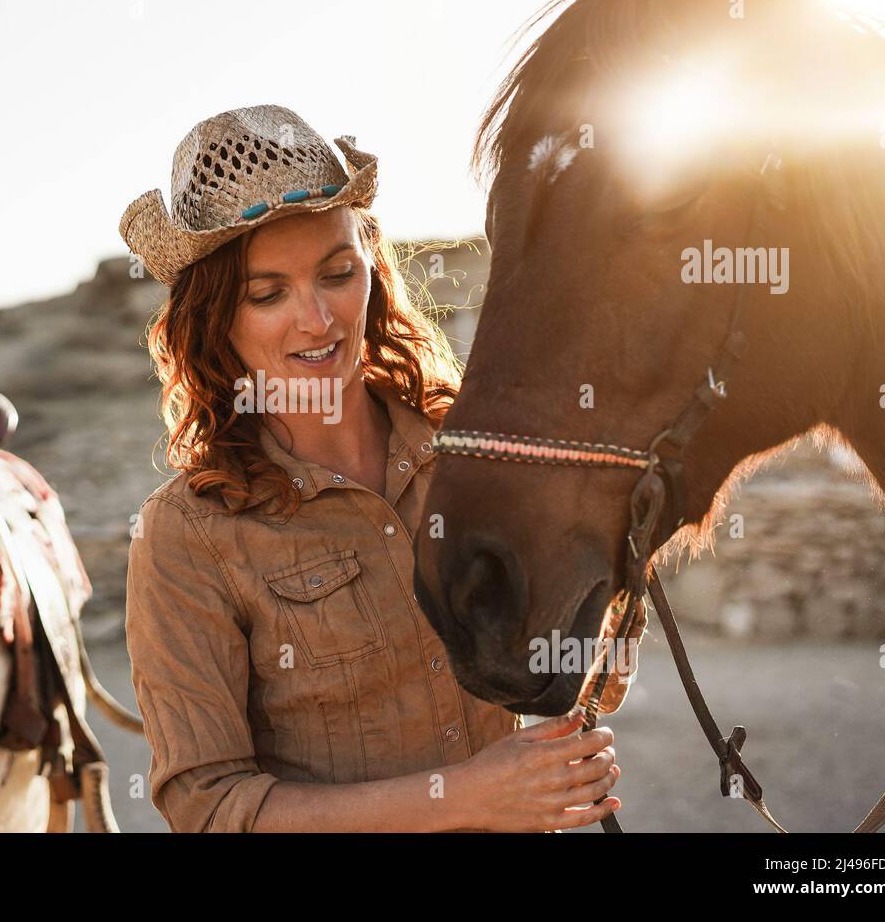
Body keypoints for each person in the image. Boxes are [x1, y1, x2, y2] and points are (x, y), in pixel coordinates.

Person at [117, 104, 621, 832]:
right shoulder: (187, 534)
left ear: (373, 272)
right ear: (215, 318)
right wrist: (471, 797)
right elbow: (210, 809)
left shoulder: (476, 448)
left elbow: (592, 683)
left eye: (337, 273)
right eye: (268, 294)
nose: (318, 320)